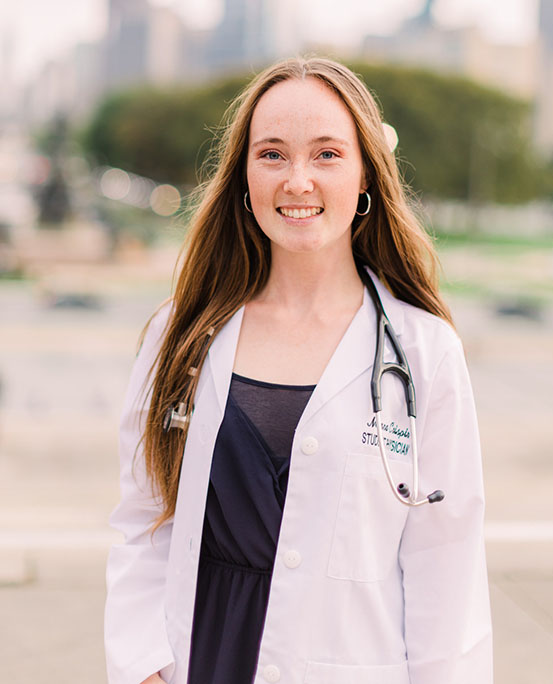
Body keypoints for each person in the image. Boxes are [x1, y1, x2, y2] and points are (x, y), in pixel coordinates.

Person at [105, 57, 493, 684]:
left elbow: (445, 569)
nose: (298, 181)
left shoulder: (424, 354)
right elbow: (144, 520)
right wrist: (144, 663)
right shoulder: (177, 336)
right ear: (244, 176)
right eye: (273, 154)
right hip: (203, 657)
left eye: (327, 155)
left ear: (366, 173)